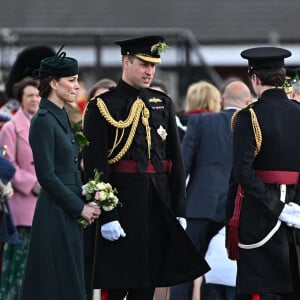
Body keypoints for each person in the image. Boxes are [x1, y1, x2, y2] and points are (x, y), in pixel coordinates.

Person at [83, 35, 209, 300]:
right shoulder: (102, 106)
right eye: (143, 64)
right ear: (126, 62)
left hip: (157, 205)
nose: (149, 71)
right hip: (122, 206)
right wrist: (108, 215)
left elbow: (175, 162)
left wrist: (179, 208)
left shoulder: (162, 103)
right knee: (117, 284)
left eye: (153, 65)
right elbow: (96, 167)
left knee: (149, 283)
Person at [18, 46, 101, 300]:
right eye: (72, 80)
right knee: (56, 284)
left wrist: (87, 191)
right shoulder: (43, 119)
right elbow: (47, 176)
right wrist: (80, 207)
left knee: (68, 281)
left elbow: (68, 167)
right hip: (56, 212)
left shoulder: (61, 116)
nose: (77, 86)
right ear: (53, 83)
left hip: (67, 208)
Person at [226, 46, 300, 300]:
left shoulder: (248, 117)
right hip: (296, 213)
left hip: (259, 214)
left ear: (255, 79)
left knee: (260, 289)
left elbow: (242, 174)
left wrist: (275, 206)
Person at [170, 80, 252, 300]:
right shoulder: (253, 128)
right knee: (237, 272)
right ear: (248, 102)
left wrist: (176, 204)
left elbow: (183, 166)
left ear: (223, 100)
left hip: (199, 207)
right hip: (236, 210)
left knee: (185, 271)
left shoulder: (200, 122)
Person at [0, 78, 41, 300]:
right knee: (19, 262)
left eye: (37, 94)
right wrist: (32, 184)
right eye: (29, 95)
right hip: (23, 201)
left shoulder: (44, 123)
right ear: (21, 99)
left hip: (46, 199)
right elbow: (7, 166)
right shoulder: (11, 127)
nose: (34, 99)